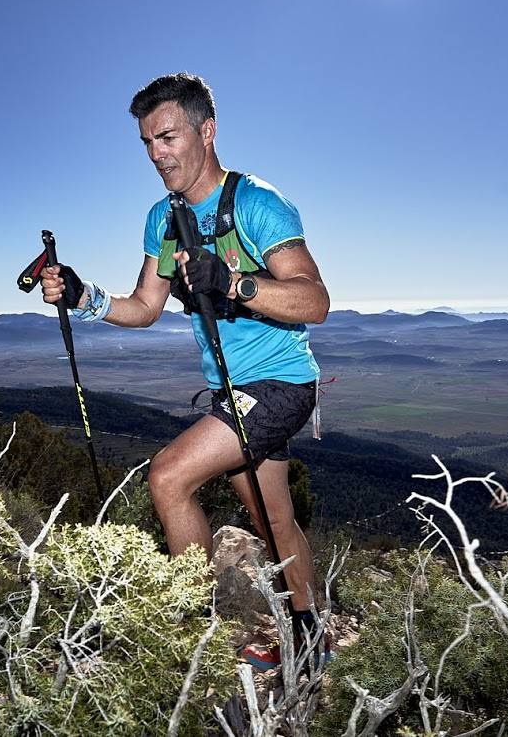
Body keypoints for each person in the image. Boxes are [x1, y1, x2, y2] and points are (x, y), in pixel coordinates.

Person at [40, 73, 330, 668]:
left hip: (280, 383)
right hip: (233, 387)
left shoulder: (256, 205)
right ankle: (309, 640)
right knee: (270, 513)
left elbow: (314, 302)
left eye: (167, 137)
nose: (156, 154)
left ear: (207, 130)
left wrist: (234, 283)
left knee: (169, 477)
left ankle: (187, 639)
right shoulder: (162, 219)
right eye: (147, 142)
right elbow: (145, 307)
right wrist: (80, 295)